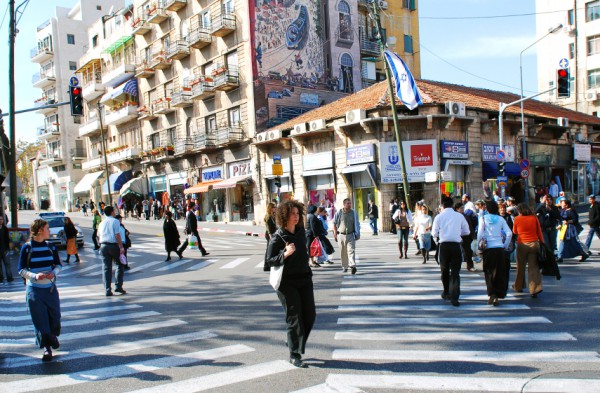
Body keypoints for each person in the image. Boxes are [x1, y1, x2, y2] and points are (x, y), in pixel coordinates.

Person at [265, 200, 316, 368]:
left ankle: (293, 341)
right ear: (285, 216)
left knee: (310, 315)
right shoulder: (278, 237)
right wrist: (284, 254)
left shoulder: (301, 232)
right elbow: (269, 261)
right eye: (293, 214)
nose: (296, 217)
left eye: (297, 213)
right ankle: (294, 354)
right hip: (287, 282)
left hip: (304, 278)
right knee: (294, 318)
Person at [18, 219, 62, 361]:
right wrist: (34, 276)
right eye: (47, 228)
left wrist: (53, 272)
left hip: (50, 289)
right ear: (39, 230)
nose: (49, 231)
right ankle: (46, 348)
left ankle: (52, 336)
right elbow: (21, 269)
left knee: (55, 317)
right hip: (34, 290)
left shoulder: (51, 246)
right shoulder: (27, 248)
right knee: (40, 320)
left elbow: (59, 264)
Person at [431, 197, 471, 307]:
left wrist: (438, 241)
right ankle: (455, 297)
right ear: (452, 205)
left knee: (444, 270)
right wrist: (458, 233)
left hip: (443, 245)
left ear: (442, 205)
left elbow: (434, 233)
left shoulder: (439, 217)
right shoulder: (459, 216)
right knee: (455, 272)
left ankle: (446, 291)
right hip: (456, 245)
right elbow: (466, 231)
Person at [478, 201, 513, 306]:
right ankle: (497, 295)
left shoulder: (483, 219)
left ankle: (491, 294)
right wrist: (505, 245)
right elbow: (509, 233)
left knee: (488, 272)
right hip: (499, 249)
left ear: (487, 209)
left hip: (488, 249)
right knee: (498, 273)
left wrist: (480, 248)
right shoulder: (501, 219)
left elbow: (480, 233)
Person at [512, 203, 545, 298]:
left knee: (520, 266)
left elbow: (515, 232)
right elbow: (539, 231)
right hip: (534, 243)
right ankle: (534, 289)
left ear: (520, 210)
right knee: (533, 267)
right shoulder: (534, 218)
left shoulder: (517, 219)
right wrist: (542, 242)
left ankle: (518, 286)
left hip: (522, 244)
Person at [97, 206, 126, 296]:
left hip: (103, 245)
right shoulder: (115, 221)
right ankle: (118, 286)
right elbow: (117, 235)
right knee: (119, 265)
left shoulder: (102, 223)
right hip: (113, 245)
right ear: (112, 212)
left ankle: (107, 289)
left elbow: (98, 236)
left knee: (106, 268)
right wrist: (121, 247)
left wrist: (100, 246)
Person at [333, 198, 360, 274]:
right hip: (341, 235)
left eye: (350, 203)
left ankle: (352, 266)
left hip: (351, 235)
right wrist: (335, 233)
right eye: (348, 203)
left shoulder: (354, 213)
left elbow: (357, 224)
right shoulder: (339, 212)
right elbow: (334, 223)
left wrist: (358, 233)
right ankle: (345, 266)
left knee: (351, 251)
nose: (349, 204)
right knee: (343, 252)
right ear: (344, 204)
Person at [557, 199, 589, 263]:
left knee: (570, 242)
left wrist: (568, 221)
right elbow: (560, 219)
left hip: (570, 229)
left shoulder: (571, 211)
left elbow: (575, 219)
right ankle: (583, 254)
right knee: (569, 243)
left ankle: (560, 257)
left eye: (563, 203)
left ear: (566, 205)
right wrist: (560, 224)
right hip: (564, 229)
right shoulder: (563, 211)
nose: (561, 204)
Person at [455, 202, 476, 272]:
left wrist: (472, 235)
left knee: (468, 251)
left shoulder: (466, 216)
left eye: (463, 208)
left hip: (466, 236)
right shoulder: (455, 217)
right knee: (457, 252)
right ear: (457, 209)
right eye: (461, 208)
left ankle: (470, 265)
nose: (462, 209)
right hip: (457, 237)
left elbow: (470, 226)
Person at [0, 215, 14, 282]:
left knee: (7, 264)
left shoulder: (4, 229)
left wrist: (8, 248)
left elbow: (8, 239)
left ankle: (9, 277)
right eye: (0, 219)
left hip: (5, 249)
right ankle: (1, 277)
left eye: (2, 219)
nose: (1, 221)